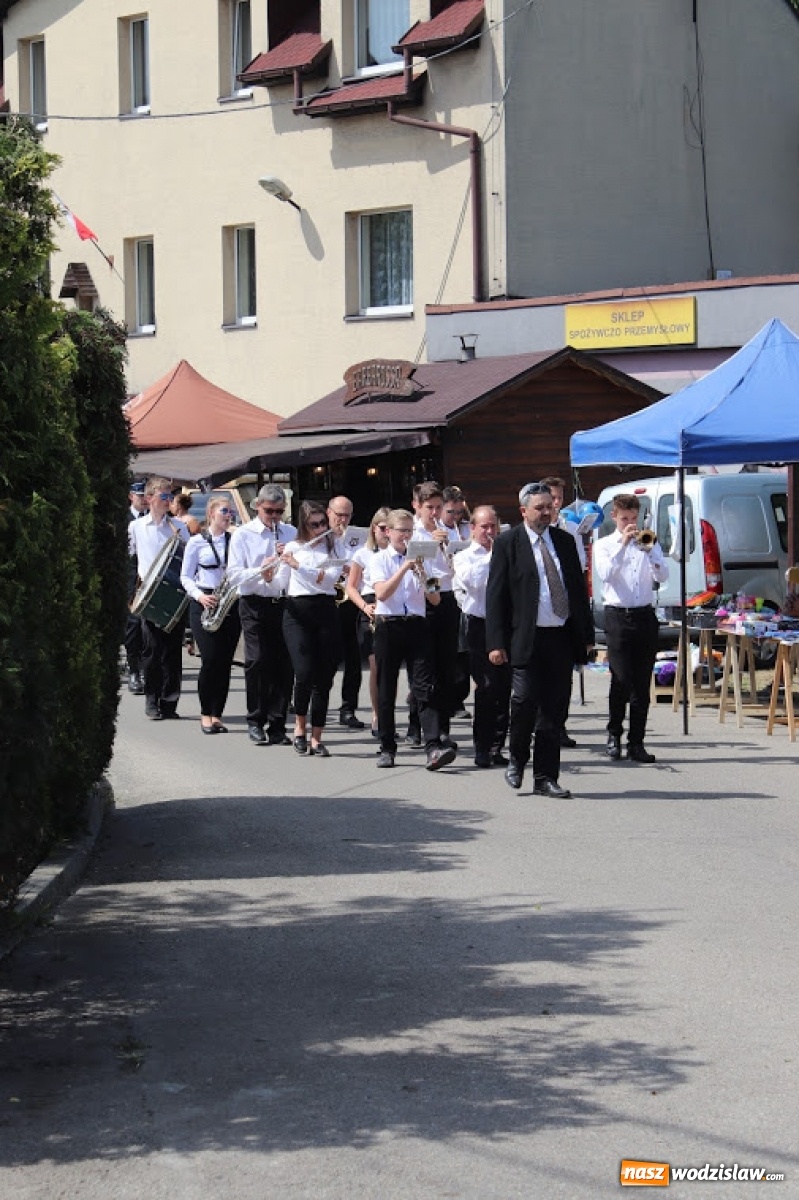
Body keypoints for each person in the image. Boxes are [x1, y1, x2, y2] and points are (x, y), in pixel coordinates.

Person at [486, 482, 594, 796]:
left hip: (560, 638)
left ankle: (546, 777)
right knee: (523, 701)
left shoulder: (564, 540)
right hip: (525, 639)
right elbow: (496, 597)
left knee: (553, 710)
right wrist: (495, 643)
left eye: (550, 506)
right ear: (523, 511)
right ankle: (517, 757)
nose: (546, 512)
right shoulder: (508, 543)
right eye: (539, 507)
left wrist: (585, 637)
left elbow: (577, 592)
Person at [370, 509, 455, 771]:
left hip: (418, 626)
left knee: (424, 687)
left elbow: (435, 599)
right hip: (389, 625)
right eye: (401, 531)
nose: (405, 536)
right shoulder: (380, 559)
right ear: (388, 532)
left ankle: (432, 747)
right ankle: (387, 747)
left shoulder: (422, 561)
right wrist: (403, 568)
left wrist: (420, 573)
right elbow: (382, 594)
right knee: (387, 689)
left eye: (409, 531)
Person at [592, 492, 669, 763]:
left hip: (645, 616)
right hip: (618, 616)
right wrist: (623, 544)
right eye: (625, 518)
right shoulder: (604, 545)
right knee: (621, 679)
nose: (630, 524)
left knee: (641, 683)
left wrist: (651, 554)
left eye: (634, 518)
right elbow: (605, 574)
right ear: (614, 517)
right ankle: (614, 735)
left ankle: (637, 742)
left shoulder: (648, 540)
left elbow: (663, 575)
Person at [227, 484, 295, 746]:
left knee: (283, 664)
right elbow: (234, 575)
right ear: (258, 506)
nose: (274, 517)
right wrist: (261, 569)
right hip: (254, 603)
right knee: (256, 660)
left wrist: (287, 559)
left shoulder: (289, 533)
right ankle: (255, 720)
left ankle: (278, 724)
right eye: (269, 511)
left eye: (279, 511)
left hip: (283, 603)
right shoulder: (243, 535)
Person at [281, 501, 344, 757]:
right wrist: (269, 569)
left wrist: (299, 566)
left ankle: (317, 737)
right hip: (297, 611)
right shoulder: (293, 547)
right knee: (304, 673)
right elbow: (279, 583)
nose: (319, 529)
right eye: (313, 525)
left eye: (322, 523)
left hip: (326, 609)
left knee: (324, 678)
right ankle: (299, 728)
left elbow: (327, 578)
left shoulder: (334, 547)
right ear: (303, 525)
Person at [453, 505, 511, 768]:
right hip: (479, 624)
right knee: (486, 687)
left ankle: (498, 746)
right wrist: (496, 555)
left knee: (505, 688)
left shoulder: (506, 550)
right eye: (484, 527)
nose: (489, 532)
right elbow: (476, 583)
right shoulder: (465, 557)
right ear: (473, 529)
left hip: (507, 624)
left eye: (493, 527)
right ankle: (482, 747)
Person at [128, 476, 190, 720]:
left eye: (170, 497)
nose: (168, 501)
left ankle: (170, 701)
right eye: (163, 497)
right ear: (150, 498)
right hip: (149, 593)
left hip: (173, 594)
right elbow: (131, 561)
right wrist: (131, 594)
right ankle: (152, 700)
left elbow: (187, 561)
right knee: (152, 650)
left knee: (173, 651)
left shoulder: (179, 527)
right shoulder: (137, 527)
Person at [180, 497, 240, 734]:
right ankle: (205, 713)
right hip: (204, 601)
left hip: (229, 602)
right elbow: (185, 576)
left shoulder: (235, 541)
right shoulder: (196, 542)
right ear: (211, 513)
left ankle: (217, 714)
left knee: (225, 663)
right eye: (224, 511)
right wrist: (199, 596)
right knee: (210, 660)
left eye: (231, 512)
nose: (228, 515)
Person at [539, 474, 586, 748]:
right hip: (541, 611)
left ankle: (559, 724)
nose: (555, 504)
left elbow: (578, 568)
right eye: (551, 499)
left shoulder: (570, 530)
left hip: (565, 609)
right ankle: (541, 723)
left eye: (558, 499)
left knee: (563, 676)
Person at [345, 506, 391, 739]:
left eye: (390, 528)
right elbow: (351, 586)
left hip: (394, 606)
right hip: (370, 605)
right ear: (374, 529)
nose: (386, 533)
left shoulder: (400, 552)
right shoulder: (364, 554)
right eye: (383, 528)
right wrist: (364, 606)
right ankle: (377, 714)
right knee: (376, 665)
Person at [325, 494, 366, 730]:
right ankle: (318, 703)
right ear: (329, 512)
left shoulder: (357, 539)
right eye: (338, 514)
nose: (342, 519)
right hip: (328, 602)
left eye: (347, 515)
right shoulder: (320, 537)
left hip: (351, 602)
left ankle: (348, 708)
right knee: (327, 659)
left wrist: (352, 569)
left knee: (353, 660)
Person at [124, 480, 149, 695]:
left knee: (149, 626)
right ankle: (134, 670)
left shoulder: (156, 520)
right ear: (131, 496)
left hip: (151, 580)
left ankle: (146, 670)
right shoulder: (125, 520)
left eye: (145, 496)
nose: (143, 500)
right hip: (131, 579)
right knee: (133, 625)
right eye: (140, 496)